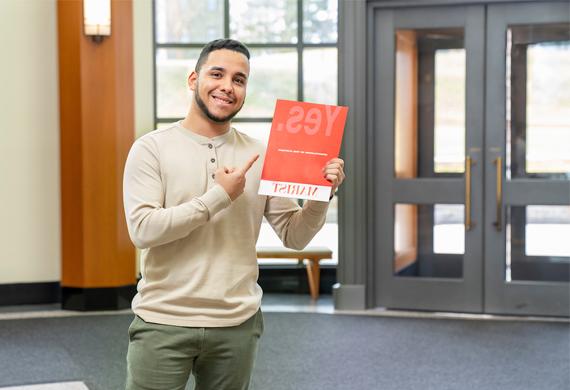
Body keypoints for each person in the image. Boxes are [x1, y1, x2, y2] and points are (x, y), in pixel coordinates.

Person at [123, 38, 346, 390]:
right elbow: (144, 230)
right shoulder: (151, 148)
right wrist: (219, 197)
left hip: (236, 324)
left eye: (239, 79)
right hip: (163, 321)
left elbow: (295, 236)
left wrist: (321, 195)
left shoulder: (261, 154)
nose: (228, 86)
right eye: (217, 74)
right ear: (194, 80)